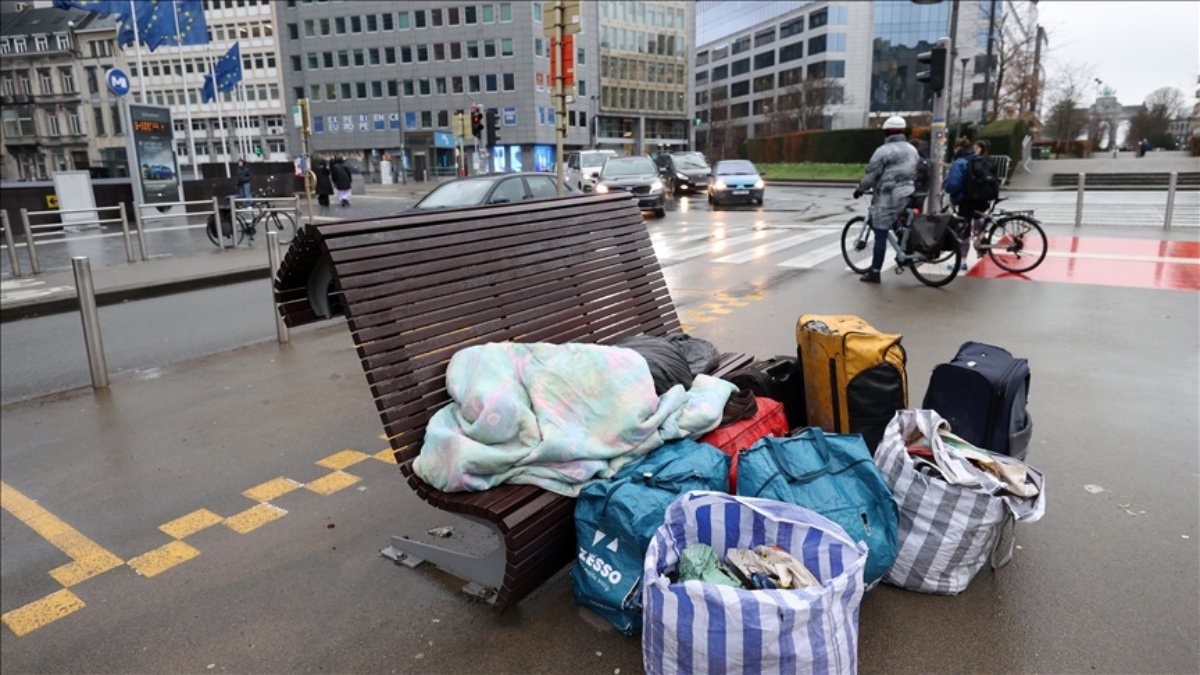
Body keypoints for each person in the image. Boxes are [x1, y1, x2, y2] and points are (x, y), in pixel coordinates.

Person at [852, 116, 918, 284]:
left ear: (887, 132)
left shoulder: (883, 151)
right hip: (908, 193)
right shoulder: (912, 150)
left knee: (880, 233)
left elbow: (871, 175)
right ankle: (906, 248)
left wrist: (860, 189)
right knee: (895, 218)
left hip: (888, 197)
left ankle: (875, 272)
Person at [943, 139, 991, 268]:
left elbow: (952, 185)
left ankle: (962, 261)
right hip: (982, 198)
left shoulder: (960, 162)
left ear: (958, 148)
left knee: (964, 230)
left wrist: (945, 186)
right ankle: (981, 236)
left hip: (966, 200)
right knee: (978, 217)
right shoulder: (979, 159)